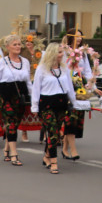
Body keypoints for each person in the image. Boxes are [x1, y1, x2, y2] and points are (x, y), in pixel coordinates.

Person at [31, 43, 78, 174]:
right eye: (59, 52)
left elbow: (69, 87)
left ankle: (46, 156)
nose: (61, 55)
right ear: (52, 53)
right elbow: (36, 89)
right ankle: (54, 162)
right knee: (52, 132)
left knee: (56, 133)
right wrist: (34, 106)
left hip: (61, 103)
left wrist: (74, 103)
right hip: (46, 103)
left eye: (62, 52)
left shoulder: (64, 69)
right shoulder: (42, 69)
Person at [0, 35, 32, 166]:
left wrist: (34, 98)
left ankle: (6, 148)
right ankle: (14, 153)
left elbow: (28, 82)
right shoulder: (2, 62)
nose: (18, 47)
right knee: (10, 122)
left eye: (19, 44)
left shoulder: (25, 62)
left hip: (20, 95)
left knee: (15, 123)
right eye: (15, 44)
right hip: (5, 94)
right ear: (8, 47)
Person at [60, 30, 99, 160]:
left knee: (76, 118)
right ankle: (74, 150)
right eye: (76, 36)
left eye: (80, 36)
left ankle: (65, 148)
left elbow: (87, 71)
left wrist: (93, 86)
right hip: (66, 86)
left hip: (79, 86)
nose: (79, 39)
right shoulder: (64, 51)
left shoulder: (82, 53)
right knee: (70, 117)